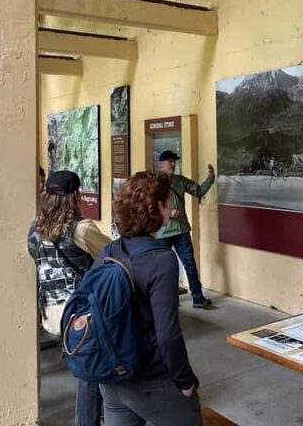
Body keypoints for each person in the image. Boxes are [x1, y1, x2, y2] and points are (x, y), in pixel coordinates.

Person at [101, 171, 202, 426]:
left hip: (113, 379)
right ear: (157, 207)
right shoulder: (162, 260)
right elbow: (168, 335)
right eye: (168, 201)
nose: (171, 206)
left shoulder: (110, 250)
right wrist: (185, 381)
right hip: (151, 380)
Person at [27, 170, 112, 426]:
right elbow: (111, 255)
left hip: (51, 314)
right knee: (92, 373)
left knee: (88, 367)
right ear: (75, 195)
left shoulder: (35, 229)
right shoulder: (81, 229)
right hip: (81, 317)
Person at [155, 150, 215, 309]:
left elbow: (199, 191)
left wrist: (211, 178)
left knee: (189, 264)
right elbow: (150, 206)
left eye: (174, 161)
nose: (173, 164)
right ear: (161, 164)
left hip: (181, 231)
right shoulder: (154, 183)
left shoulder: (180, 181)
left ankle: (198, 298)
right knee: (163, 268)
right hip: (163, 232)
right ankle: (165, 301)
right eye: (170, 161)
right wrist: (168, 213)